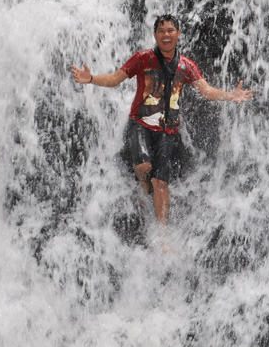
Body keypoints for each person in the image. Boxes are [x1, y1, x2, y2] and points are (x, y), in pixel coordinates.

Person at [71, 14, 255, 227]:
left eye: (170, 30)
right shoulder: (143, 58)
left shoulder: (187, 66)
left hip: (168, 131)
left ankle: (162, 232)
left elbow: (206, 91)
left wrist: (230, 96)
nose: (166, 35)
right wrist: (91, 78)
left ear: (178, 34)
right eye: (161, 31)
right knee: (143, 166)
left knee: (161, 182)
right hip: (140, 123)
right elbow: (115, 79)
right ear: (155, 35)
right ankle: (142, 184)